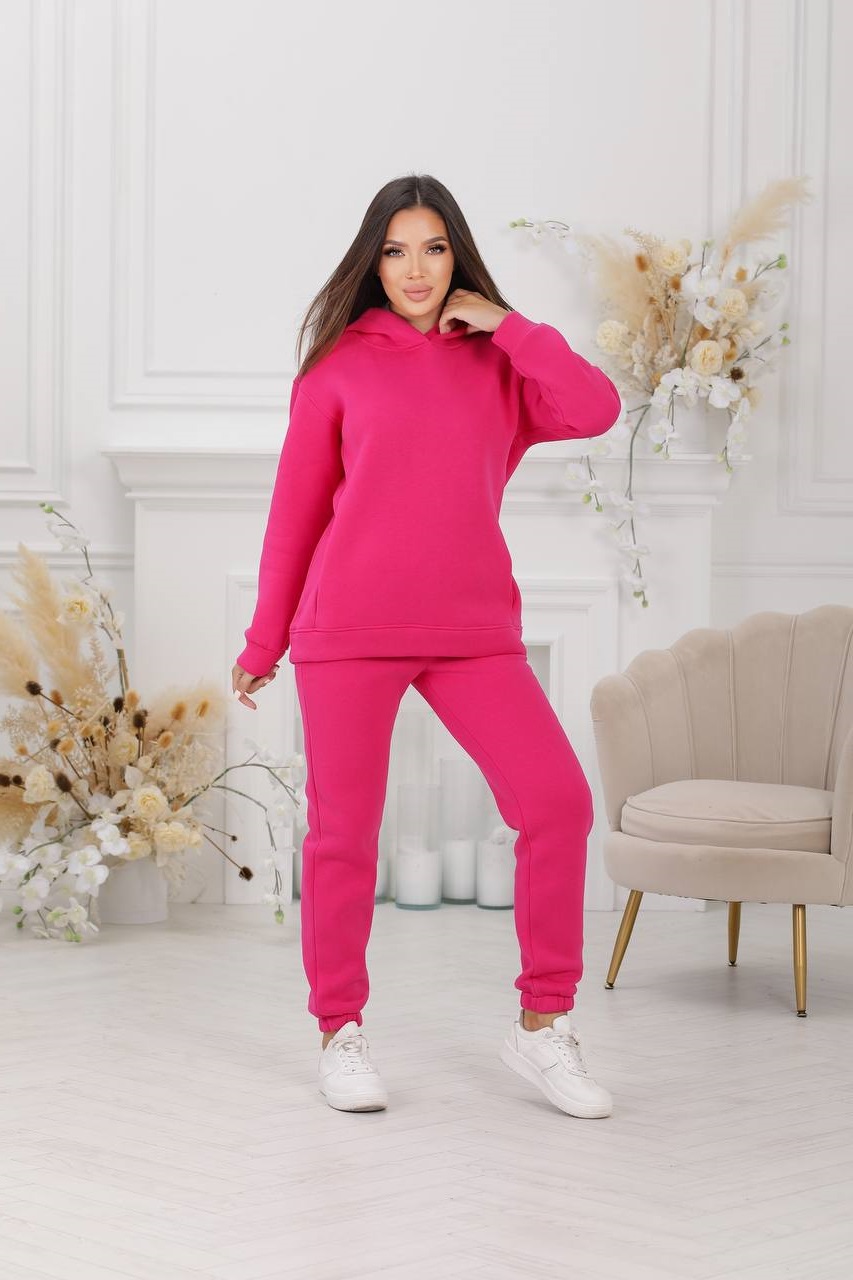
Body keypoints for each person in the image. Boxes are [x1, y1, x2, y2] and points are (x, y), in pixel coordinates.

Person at [231, 173, 621, 1119]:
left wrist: (510, 326)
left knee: (558, 805)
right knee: (343, 837)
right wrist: (263, 640)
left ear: (458, 257)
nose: (416, 270)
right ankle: (339, 1032)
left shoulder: (499, 363)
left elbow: (596, 408)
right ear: (373, 262)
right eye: (397, 251)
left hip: (473, 634)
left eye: (435, 248)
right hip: (347, 631)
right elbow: (294, 517)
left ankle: (543, 1027)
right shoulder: (335, 370)